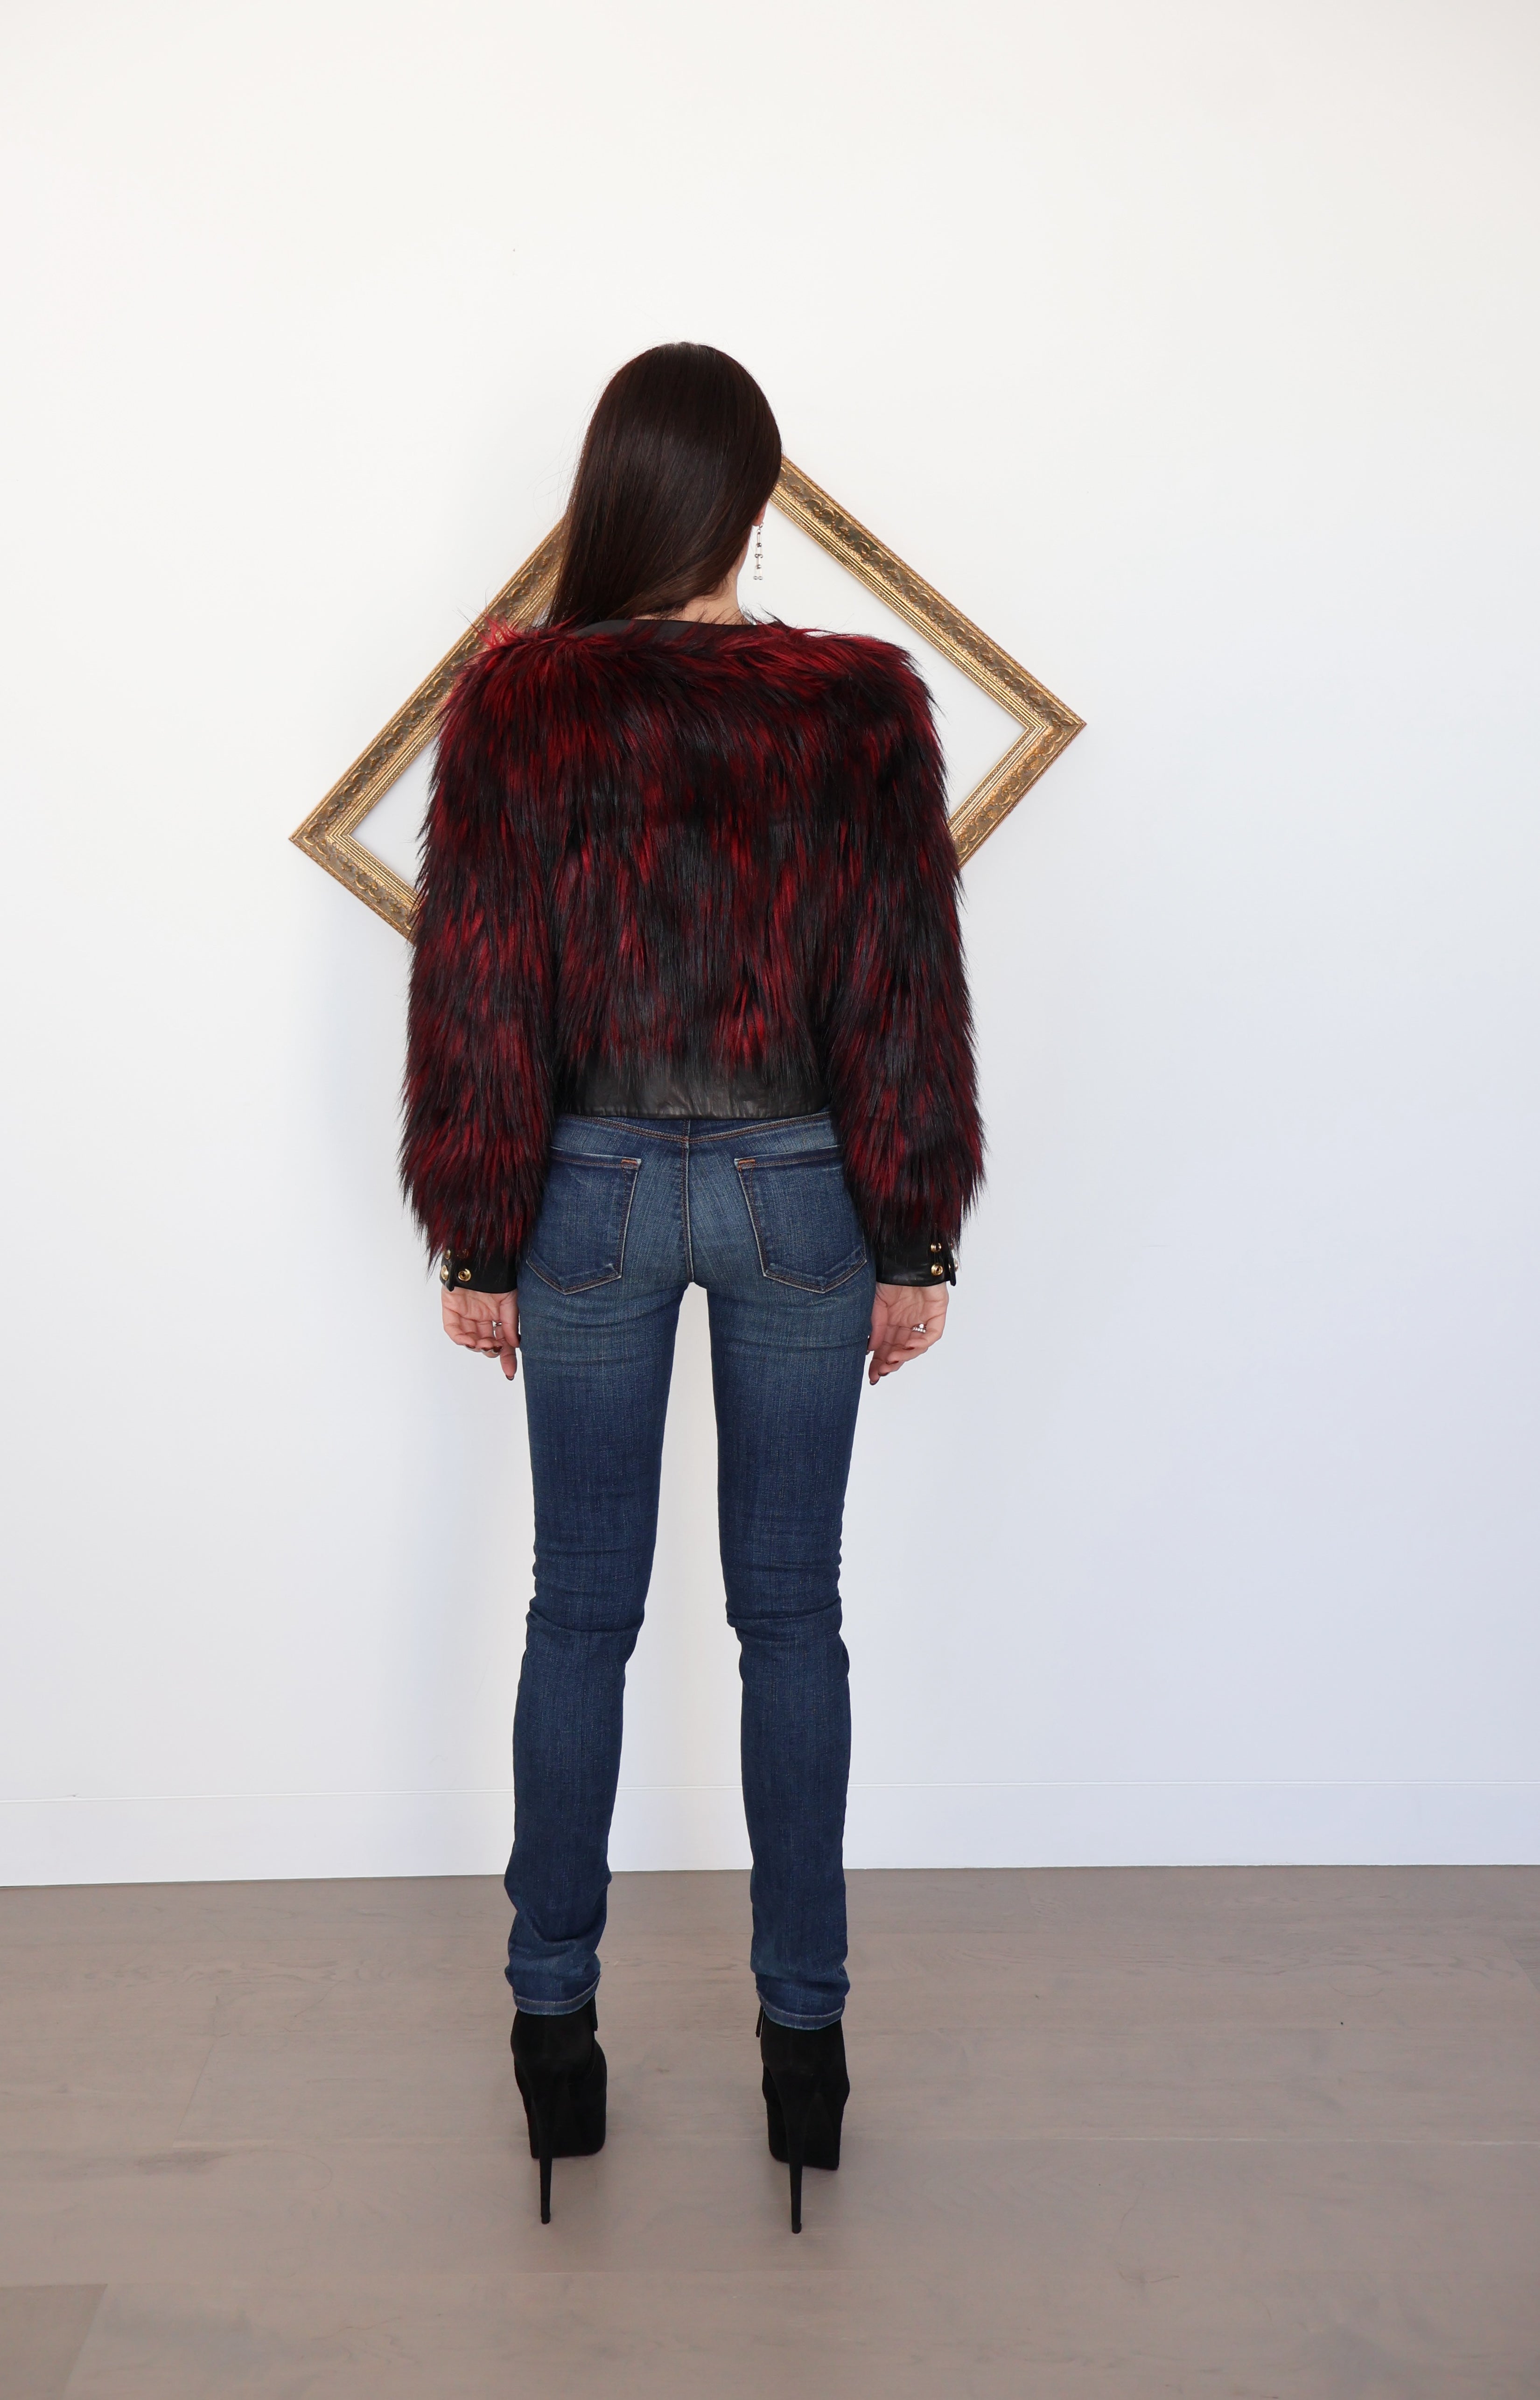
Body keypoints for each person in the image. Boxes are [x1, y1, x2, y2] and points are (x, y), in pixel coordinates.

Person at [402, 342, 982, 2231]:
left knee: (577, 1614)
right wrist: (912, 1236)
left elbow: (480, 983)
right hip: (800, 1186)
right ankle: (803, 2053)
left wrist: (479, 1233)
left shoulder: (520, 705)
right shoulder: (855, 706)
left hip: (582, 1188)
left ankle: (552, 2038)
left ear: (617, 491)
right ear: (751, 497)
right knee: (790, 1617)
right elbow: (897, 983)